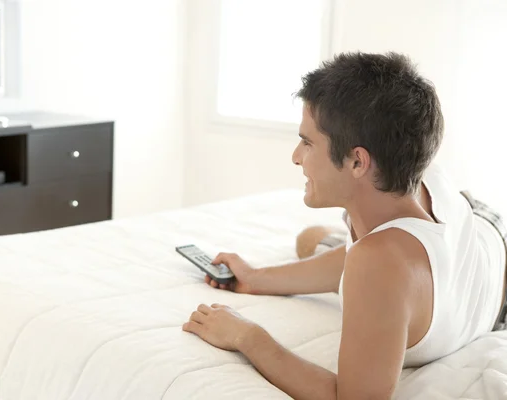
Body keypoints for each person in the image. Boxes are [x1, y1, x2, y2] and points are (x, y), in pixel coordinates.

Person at [182, 51, 507, 400]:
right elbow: (363, 257)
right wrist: (256, 279)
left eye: (307, 143)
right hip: (468, 226)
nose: (296, 156)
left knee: (331, 246)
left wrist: (246, 336)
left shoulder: (380, 262)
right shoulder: (396, 172)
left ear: (357, 161)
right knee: (309, 239)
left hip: (493, 263)